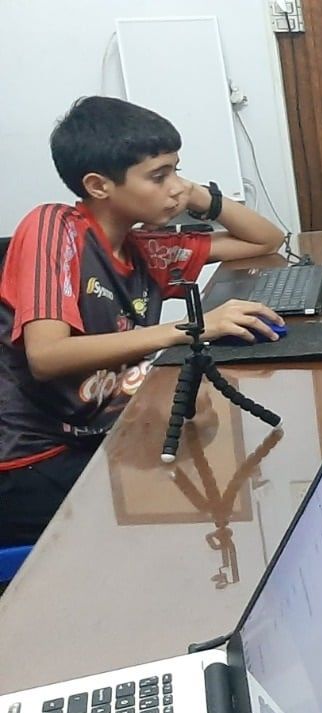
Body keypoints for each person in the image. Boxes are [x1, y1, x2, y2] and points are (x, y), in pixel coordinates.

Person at [0, 96, 287, 547]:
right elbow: (46, 355)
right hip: (37, 461)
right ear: (98, 186)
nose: (175, 186)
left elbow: (267, 240)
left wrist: (199, 196)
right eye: (159, 176)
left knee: (245, 464)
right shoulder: (53, 228)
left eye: (176, 170)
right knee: (198, 515)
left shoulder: (144, 248)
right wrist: (194, 327)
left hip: (98, 434)